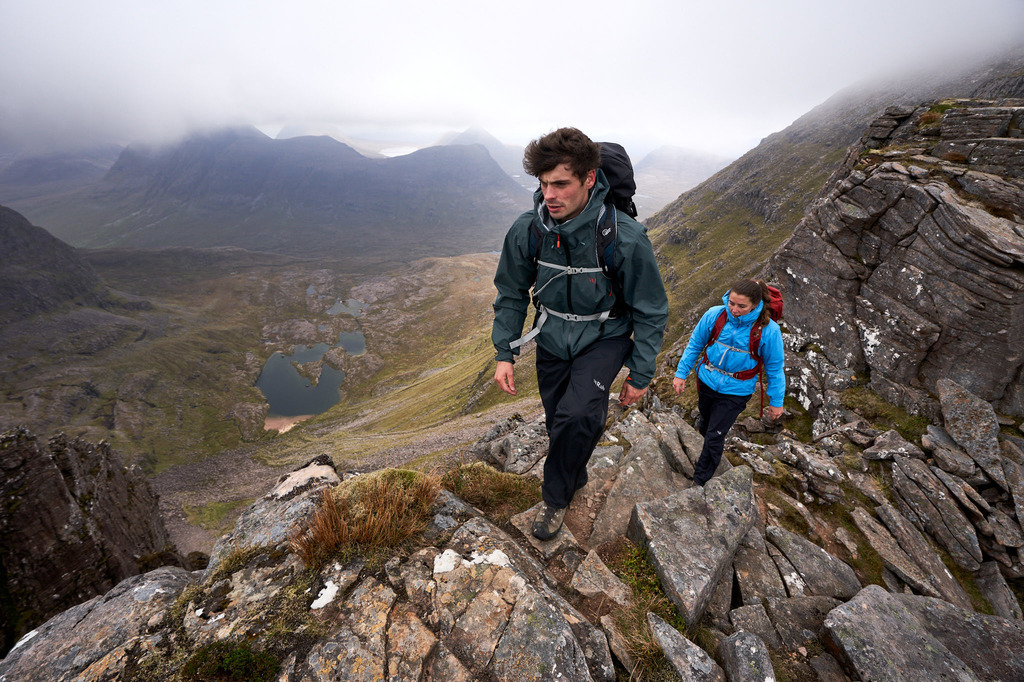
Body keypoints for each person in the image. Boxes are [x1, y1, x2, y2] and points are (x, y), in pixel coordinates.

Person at [491, 127, 668, 541]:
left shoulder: (624, 236)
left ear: (589, 179)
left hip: (605, 337)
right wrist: (504, 352)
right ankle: (575, 473)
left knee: (578, 414)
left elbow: (650, 308)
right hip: (551, 336)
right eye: (543, 184)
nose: (549, 194)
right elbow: (512, 293)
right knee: (560, 422)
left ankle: (555, 499)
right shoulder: (528, 230)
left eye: (561, 183)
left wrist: (640, 373)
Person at [673, 279, 785, 485]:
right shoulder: (715, 315)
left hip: (736, 391)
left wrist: (776, 401)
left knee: (716, 434)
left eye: (741, 306)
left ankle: (699, 482)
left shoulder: (768, 330)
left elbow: (775, 368)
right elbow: (695, 344)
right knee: (705, 425)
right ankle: (703, 456)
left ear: (755, 304)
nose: (734, 309)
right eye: (731, 303)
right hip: (706, 380)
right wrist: (681, 374)